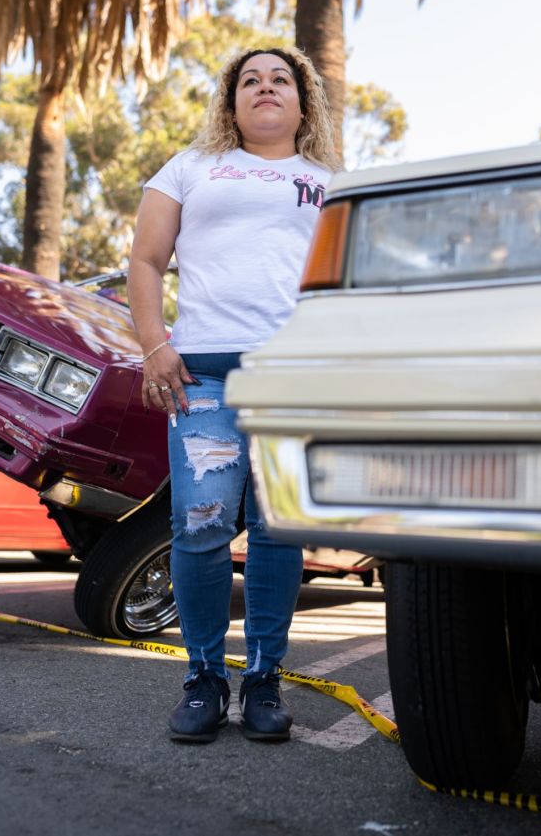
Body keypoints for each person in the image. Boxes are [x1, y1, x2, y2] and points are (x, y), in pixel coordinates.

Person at [127, 47, 338, 744]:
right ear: (231, 101)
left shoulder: (329, 180)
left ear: (303, 103)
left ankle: (265, 679)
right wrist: (156, 345)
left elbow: (347, 282)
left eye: (281, 79)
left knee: (281, 529)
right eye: (251, 80)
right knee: (202, 526)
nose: (265, 87)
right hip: (204, 377)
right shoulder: (190, 168)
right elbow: (146, 260)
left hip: (294, 381)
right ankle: (206, 678)